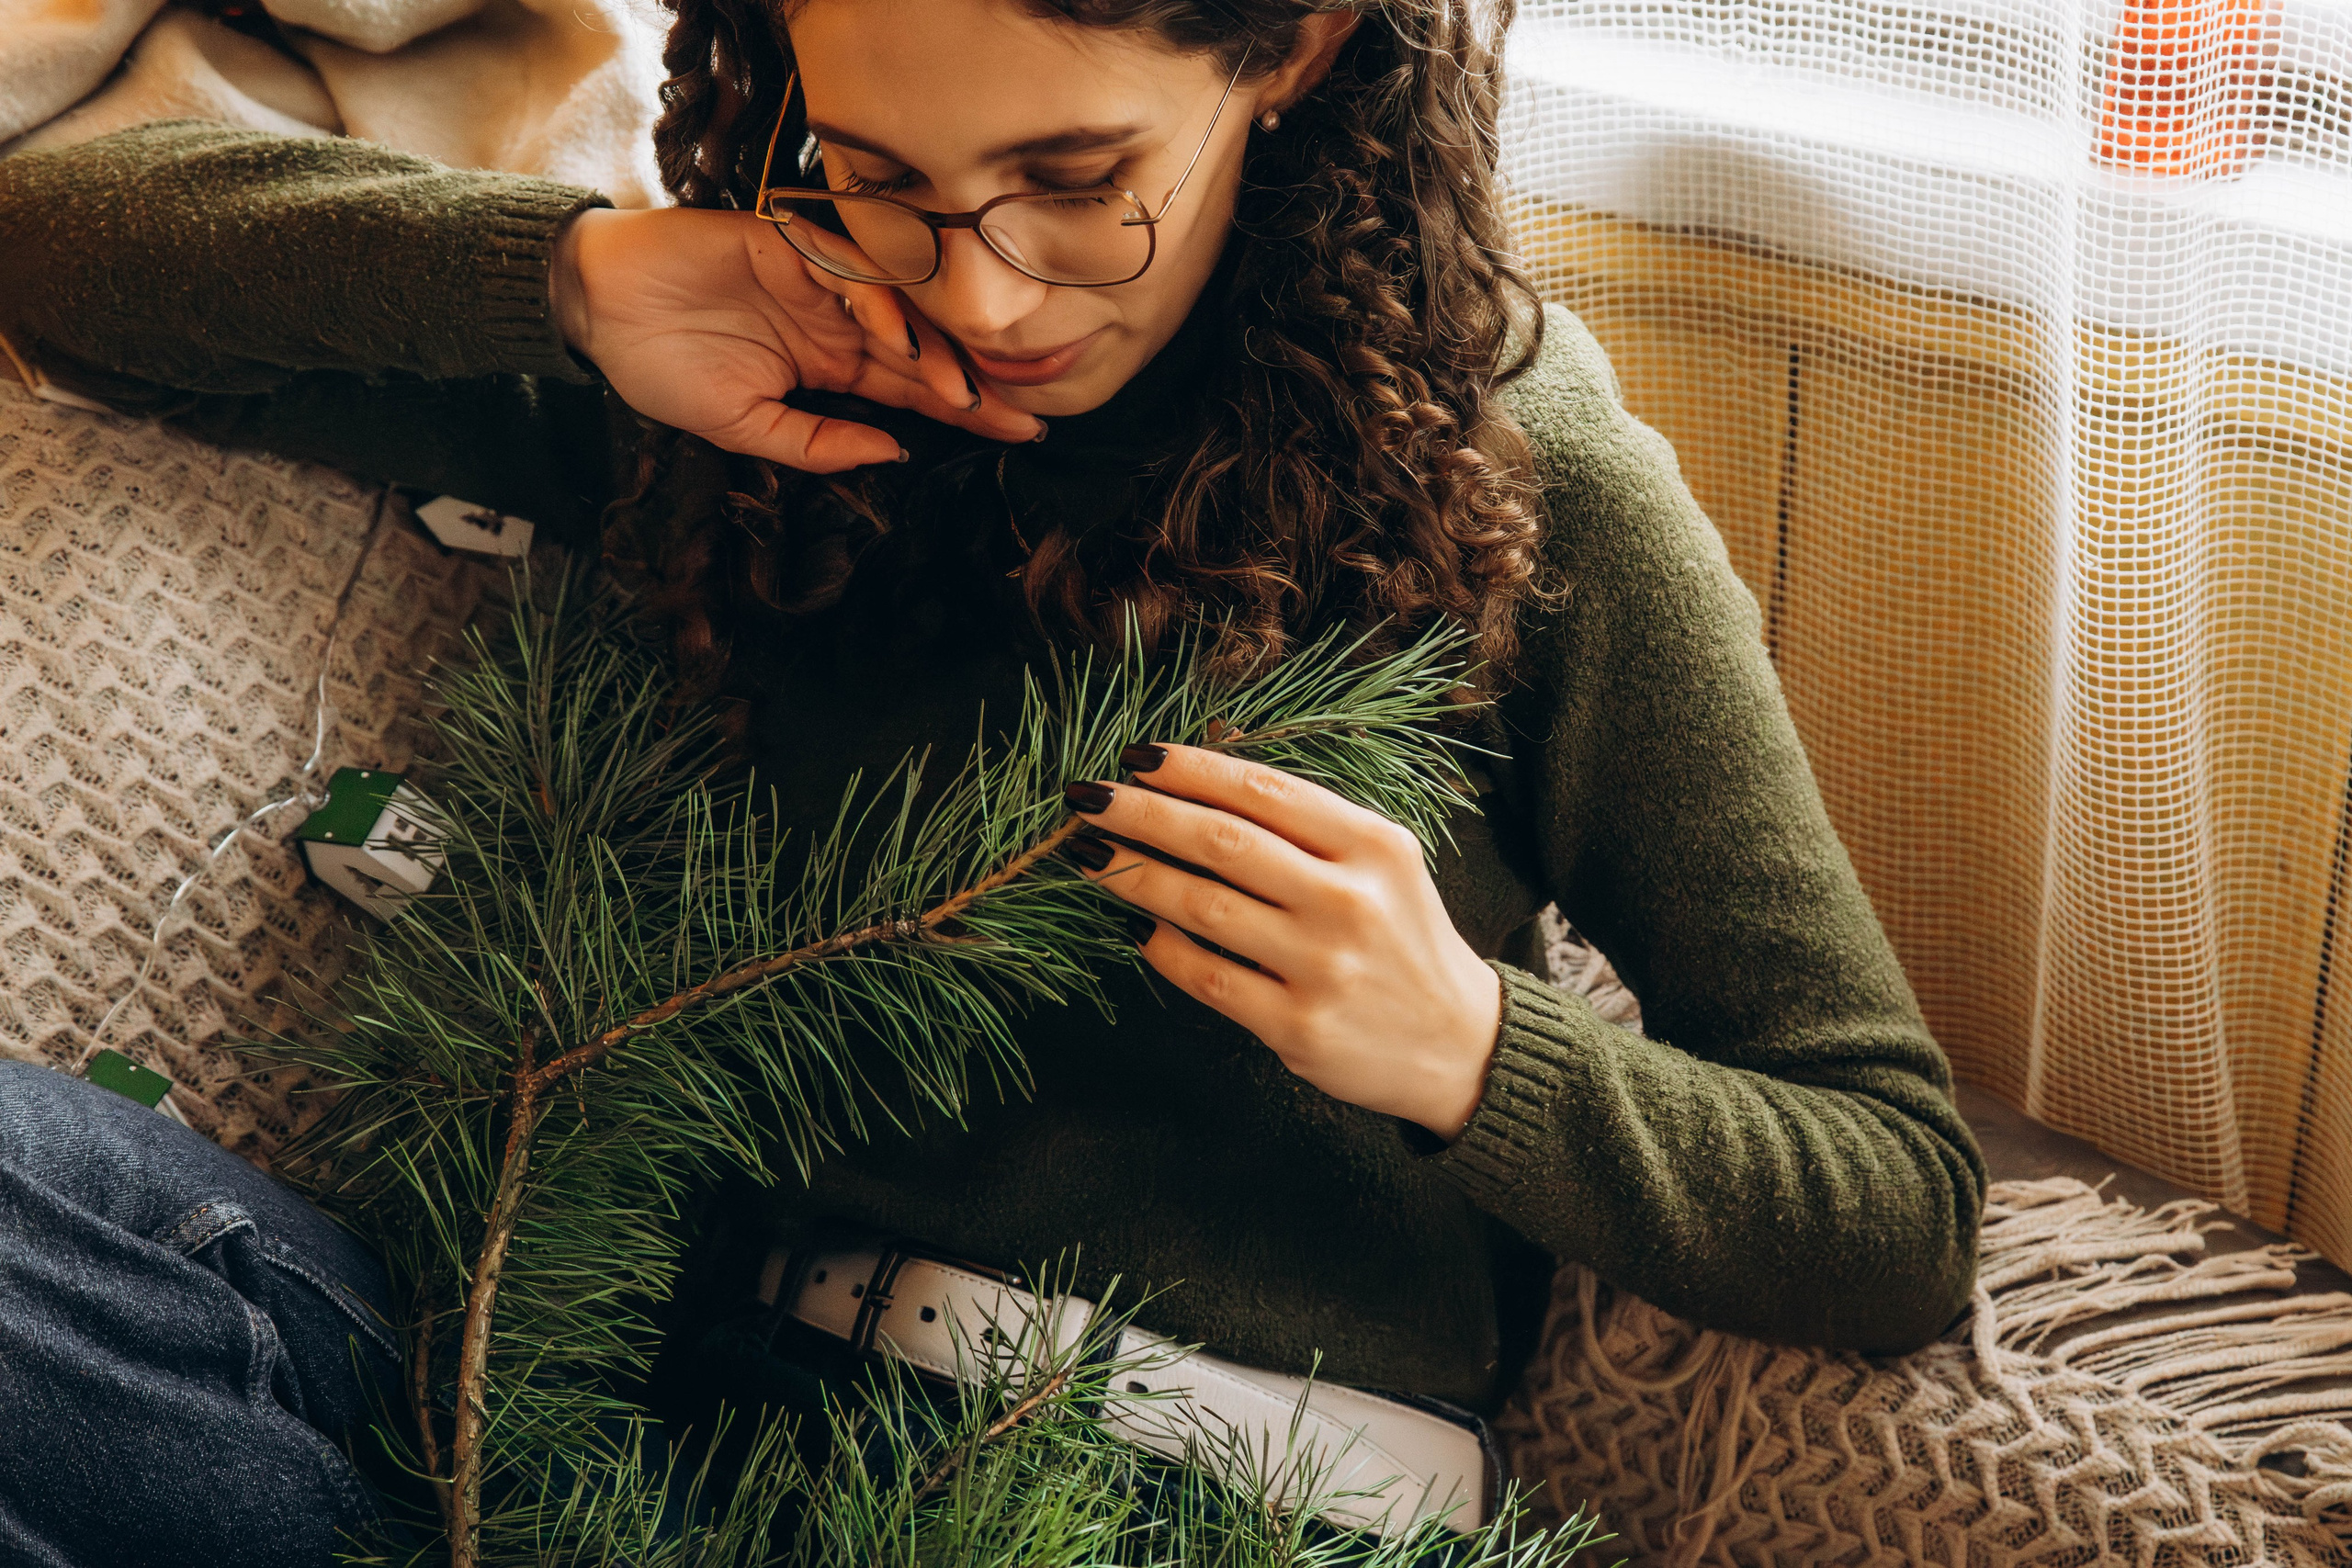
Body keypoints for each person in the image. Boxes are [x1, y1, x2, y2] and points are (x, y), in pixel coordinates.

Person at [0, 0, 1988, 1561]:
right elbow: (61, 252)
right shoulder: (769, 357)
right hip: (588, 1437)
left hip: (1190, 1500)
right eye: (880, 171)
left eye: (1074, 173)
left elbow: (1889, 1193)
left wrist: (1472, 1048)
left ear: (1284, 52)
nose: (984, 293)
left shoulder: (1516, 473)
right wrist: (569, 276)